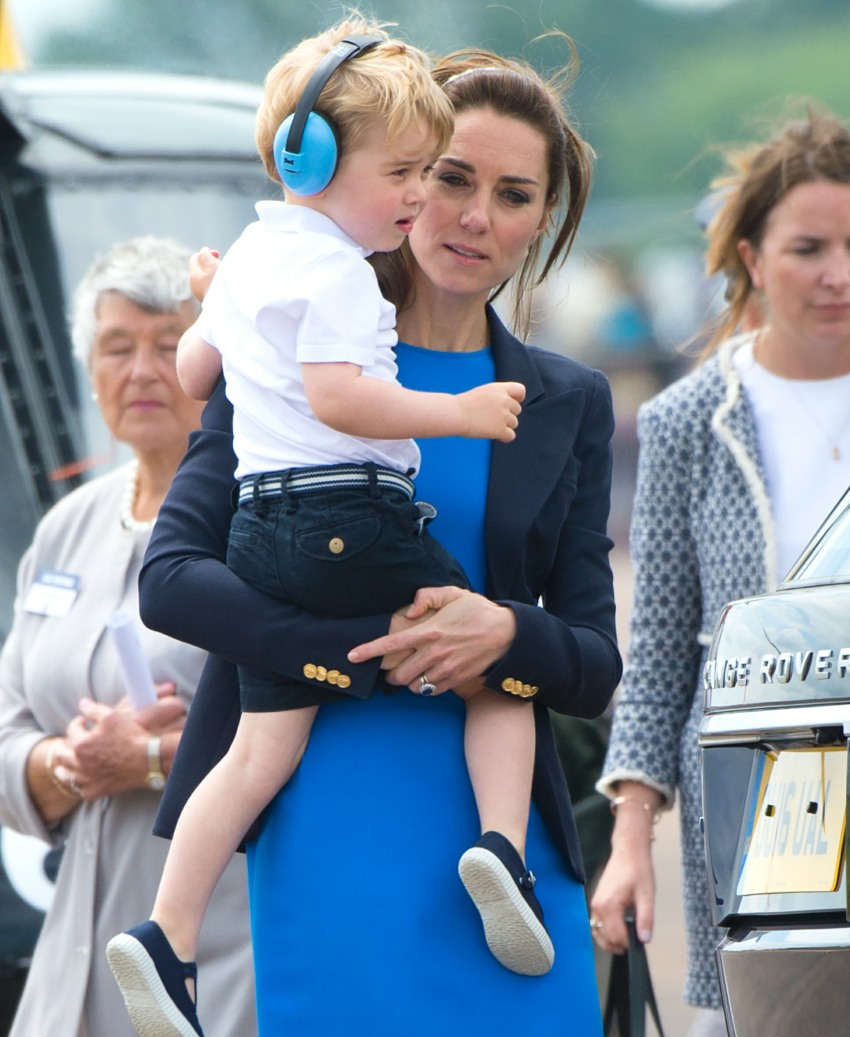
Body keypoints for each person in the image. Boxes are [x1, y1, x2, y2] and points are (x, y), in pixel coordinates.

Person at [137, 38, 621, 1035]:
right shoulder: (288, 359)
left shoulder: (569, 399)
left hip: (505, 863)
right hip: (322, 822)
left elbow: (592, 660)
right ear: (383, 168)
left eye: (517, 193)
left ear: (545, 221)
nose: (477, 215)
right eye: (449, 177)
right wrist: (343, 656)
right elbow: (172, 579)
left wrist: (503, 634)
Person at [590, 105, 850, 1037]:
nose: (840, 274)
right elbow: (654, 659)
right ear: (752, 258)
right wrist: (630, 837)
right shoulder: (691, 420)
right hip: (770, 782)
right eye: (808, 247)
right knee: (776, 1017)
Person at [0, 238, 257, 1037]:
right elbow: (8, 731)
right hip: (69, 967)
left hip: (216, 963)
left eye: (170, 344)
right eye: (117, 346)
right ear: (89, 368)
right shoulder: (67, 524)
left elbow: (307, 730)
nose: (142, 370)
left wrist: (146, 758)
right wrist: (64, 764)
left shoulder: (260, 519)